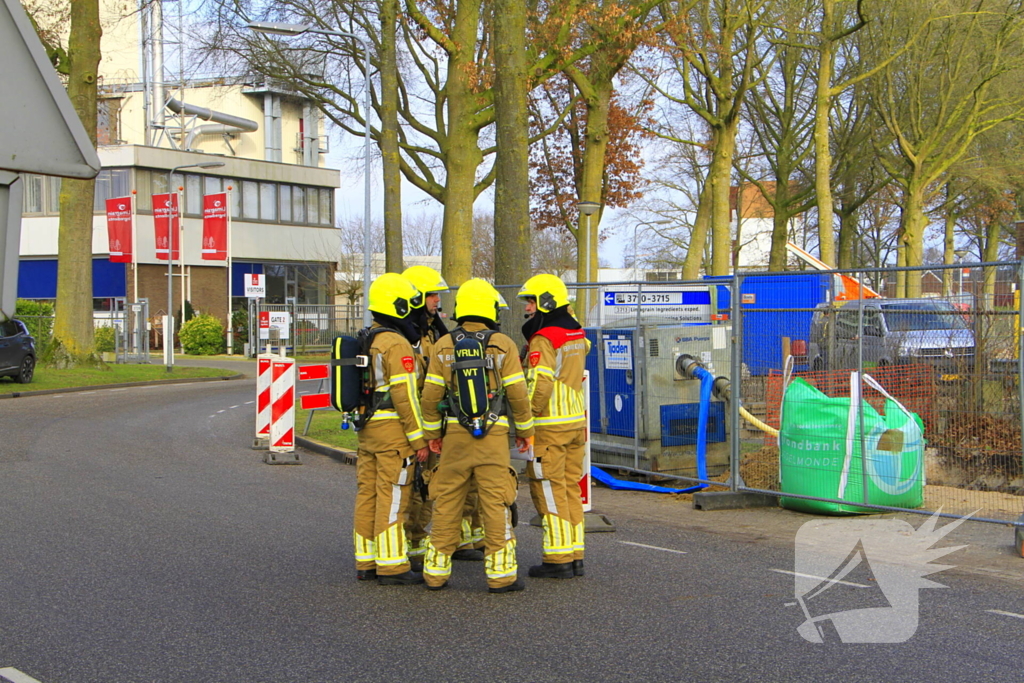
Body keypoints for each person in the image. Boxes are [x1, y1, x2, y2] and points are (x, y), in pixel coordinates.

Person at [419, 279, 535, 593]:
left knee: (447, 500)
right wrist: (524, 431)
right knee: (495, 502)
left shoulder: (443, 344)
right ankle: (500, 576)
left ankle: (435, 573)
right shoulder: (503, 344)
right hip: (494, 435)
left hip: (455, 433)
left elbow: (430, 395)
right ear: (490, 309)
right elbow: (518, 393)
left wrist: (432, 433)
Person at [352, 272, 430, 586]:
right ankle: (392, 565)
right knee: (393, 493)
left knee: (367, 494)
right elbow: (405, 394)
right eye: (408, 306)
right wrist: (418, 437)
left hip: (367, 429)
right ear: (397, 306)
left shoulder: (366, 338)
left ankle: (366, 560)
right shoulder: (395, 343)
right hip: (393, 433)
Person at [517, 273, 590, 579]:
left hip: (549, 423)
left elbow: (540, 382)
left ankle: (557, 559)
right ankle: (575, 553)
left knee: (548, 488)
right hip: (575, 421)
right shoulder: (576, 333)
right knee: (570, 486)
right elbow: (583, 345)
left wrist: (526, 419)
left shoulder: (544, 338)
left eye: (532, 301)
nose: (528, 308)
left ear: (546, 302)